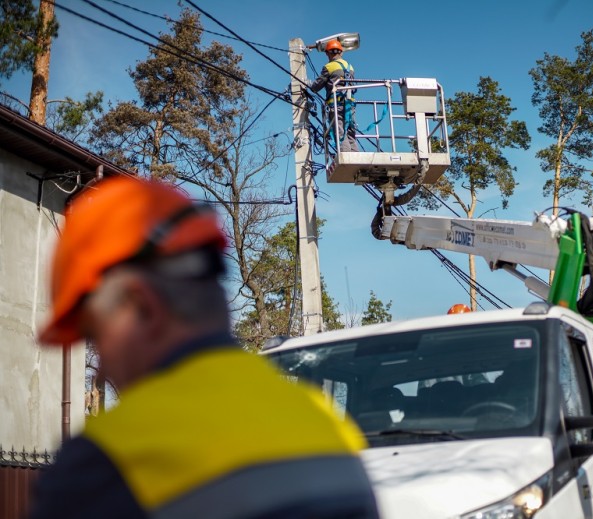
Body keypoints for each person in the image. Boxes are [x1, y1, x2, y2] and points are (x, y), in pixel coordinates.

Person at [30, 177, 379, 518]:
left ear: (142, 307)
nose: (101, 369)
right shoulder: (327, 425)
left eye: (95, 336)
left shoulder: (108, 462)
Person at [309, 39, 359, 152]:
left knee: (340, 132)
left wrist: (308, 85)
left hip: (337, 106)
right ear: (341, 52)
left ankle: (346, 157)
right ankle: (356, 156)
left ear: (329, 53)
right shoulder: (350, 67)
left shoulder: (329, 67)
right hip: (350, 106)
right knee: (350, 133)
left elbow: (316, 87)